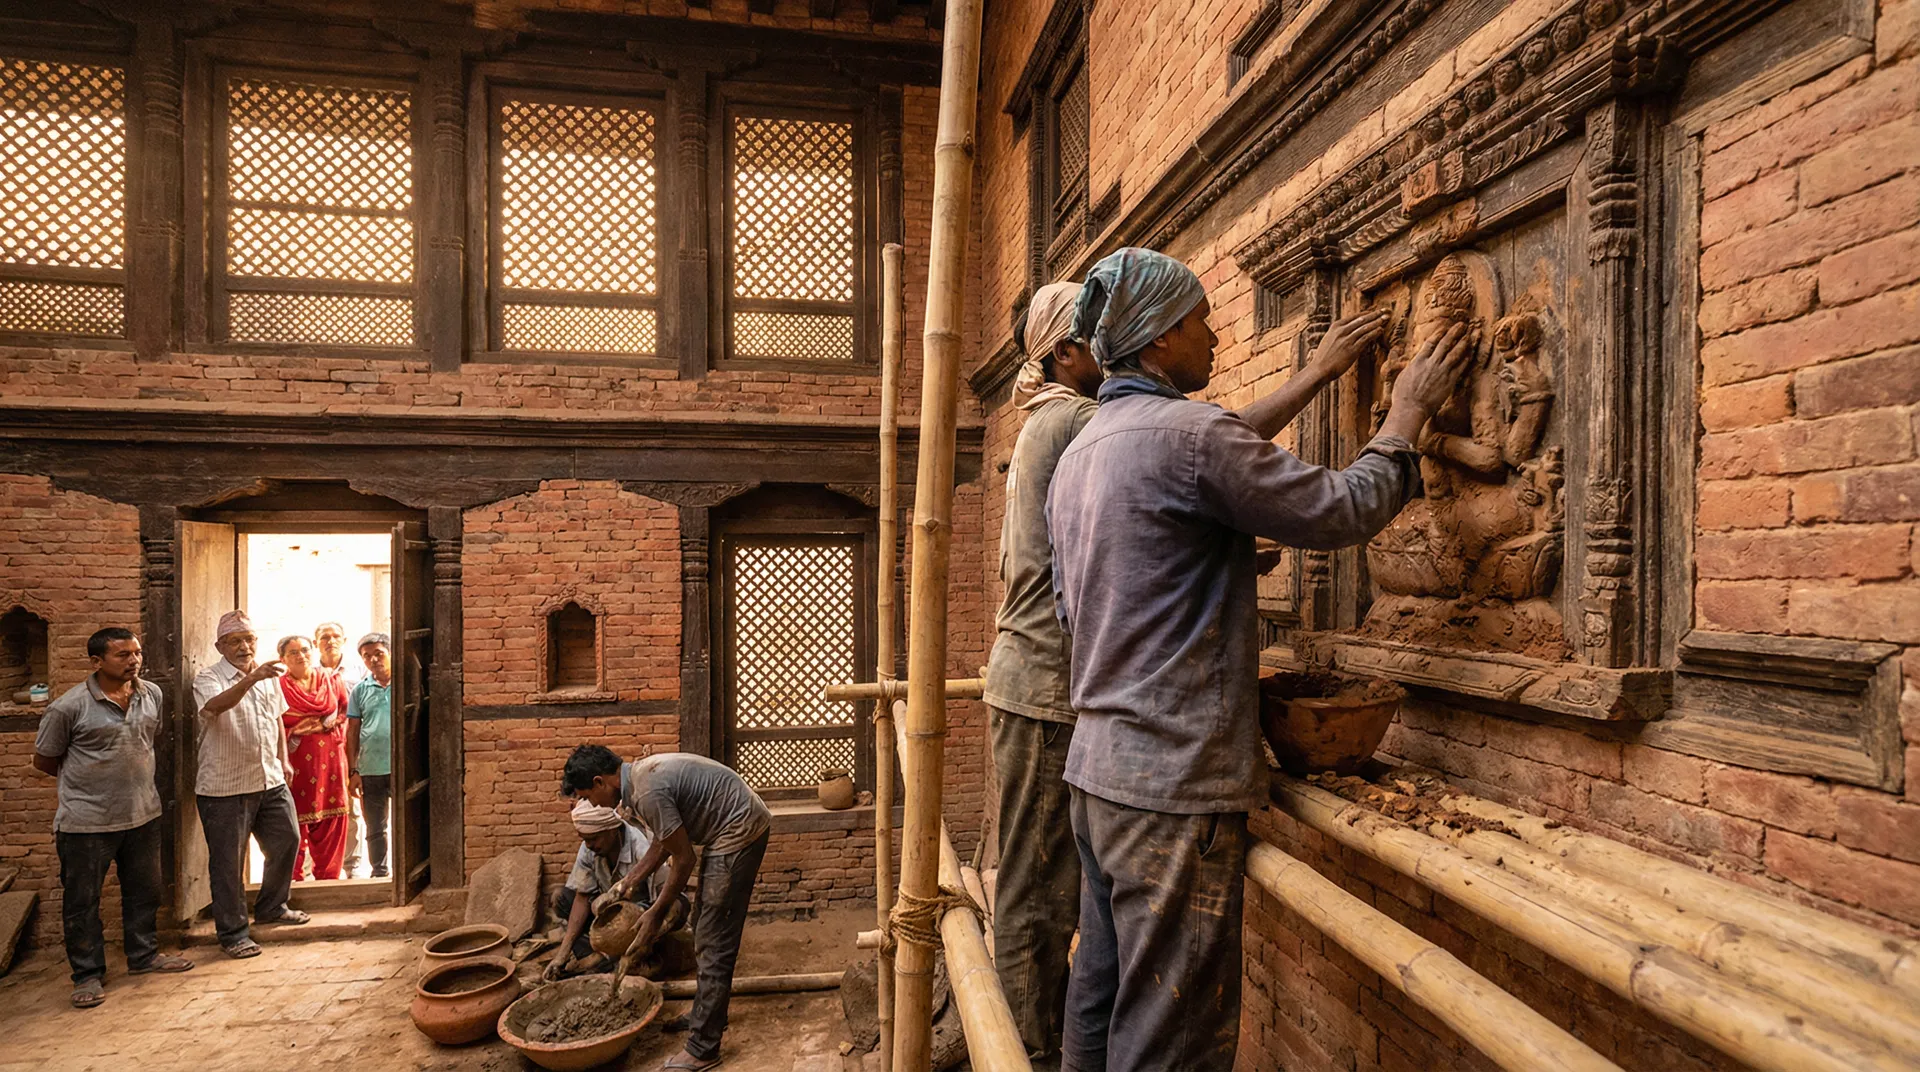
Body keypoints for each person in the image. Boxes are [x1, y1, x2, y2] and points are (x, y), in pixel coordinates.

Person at [1046, 248, 1474, 1072]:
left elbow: (1082, 604)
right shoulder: (1191, 435)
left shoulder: (1083, 452)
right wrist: (1404, 418)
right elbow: (1342, 509)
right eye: (1203, 320)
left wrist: (1201, 563)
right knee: (1167, 1034)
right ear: (1164, 338)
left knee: (1097, 1004)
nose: (1214, 336)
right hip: (1171, 787)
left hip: (1097, 775)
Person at [981, 279, 1104, 1064]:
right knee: (1037, 894)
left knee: (1037, 882)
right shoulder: (1077, 420)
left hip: (1030, 684)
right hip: (1044, 687)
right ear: (1063, 352)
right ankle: (1029, 1054)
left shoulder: (1042, 423)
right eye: (1096, 335)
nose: (1110, 345)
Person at [565, 746, 772, 1072]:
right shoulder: (639, 782)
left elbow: (684, 858)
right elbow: (665, 841)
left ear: (600, 781)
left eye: (588, 796)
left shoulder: (647, 791)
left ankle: (703, 1049)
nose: (593, 804)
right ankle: (708, 1015)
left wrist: (655, 914)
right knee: (706, 923)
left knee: (713, 937)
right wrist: (630, 881)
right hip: (731, 827)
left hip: (739, 830)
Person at [32, 628, 194, 1007]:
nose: (134, 661)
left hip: (142, 815)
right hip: (85, 823)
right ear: (96, 662)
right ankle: (87, 976)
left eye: (136, 653)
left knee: (144, 892)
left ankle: (143, 956)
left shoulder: (151, 693)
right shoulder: (68, 707)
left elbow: (145, 743)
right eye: (122, 655)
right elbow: (44, 760)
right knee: (82, 902)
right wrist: (91, 784)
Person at [191, 610, 310, 958]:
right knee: (228, 862)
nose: (245, 647)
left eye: (250, 639)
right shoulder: (208, 678)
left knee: (287, 838)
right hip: (225, 786)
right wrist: (251, 678)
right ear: (220, 646)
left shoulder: (269, 677)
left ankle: (273, 906)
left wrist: (283, 759)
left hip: (269, 777)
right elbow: (214, 706)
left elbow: (275, 719)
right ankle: (233, 934)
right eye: (235, 641)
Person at [543, 800, 673, 981]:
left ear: (612, 831)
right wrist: (562, 953)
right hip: (605, 913)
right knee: (561, 897)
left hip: (640, 915)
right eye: (585, 840)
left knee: (646, 938)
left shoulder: (640, 846)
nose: (588, 845)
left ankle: (616, 958)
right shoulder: (589, 848)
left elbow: (663, 899)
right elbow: (582, 897)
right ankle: (598, 957)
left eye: (593, 839)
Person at [277, 635, 350, 881]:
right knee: (291, 823)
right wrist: (296, 729)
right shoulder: (278, 687)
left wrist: (322, 723)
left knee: (332, 818)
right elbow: (273, 723)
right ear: (282, 659)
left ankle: (329, 880)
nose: (301, 656)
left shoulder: (331, 679)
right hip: (295, 764)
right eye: (293, 652)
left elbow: (342, 712)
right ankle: (292, 882)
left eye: (305, 650)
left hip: (330, 760)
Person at [314, 621, 365, 877]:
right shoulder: (310, 674)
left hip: (350, 746)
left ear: (344, 641)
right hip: (320, 750)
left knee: (352, 806)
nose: (330, 641)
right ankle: (317, 867)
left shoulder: (359, 671)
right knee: (318, 806)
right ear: (316, 643)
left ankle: (352, 865)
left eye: (335, 636)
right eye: (324, 637)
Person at [346, 633, 392, 880]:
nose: (373, 660)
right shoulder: (360, 690)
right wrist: (353, 771)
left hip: (401, 767)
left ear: (390, 653)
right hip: (371, 768)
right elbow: (352, 731)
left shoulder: (406, 683)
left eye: (379, 654)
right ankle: (380, 872)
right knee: (375, 826)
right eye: (367, 656)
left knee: (412, 821)